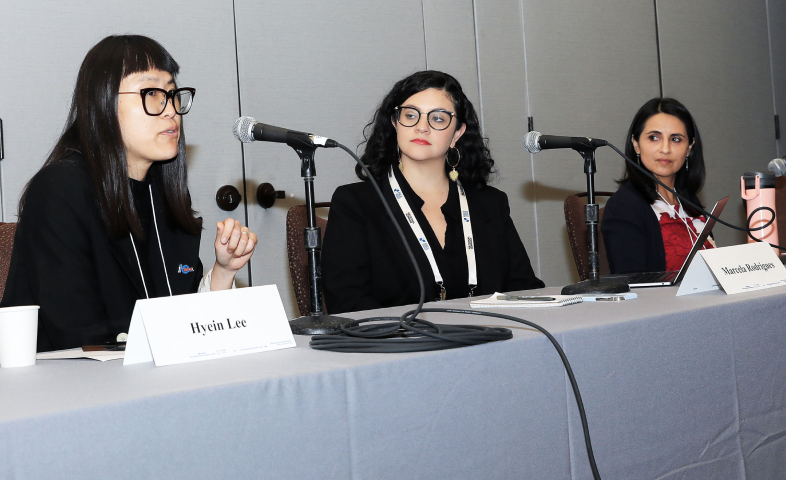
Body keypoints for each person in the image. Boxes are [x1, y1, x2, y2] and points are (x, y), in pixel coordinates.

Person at [0, 35, 258, 352]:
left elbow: (189, 320)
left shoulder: (165, 193)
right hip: (73, 390)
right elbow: (81, 339)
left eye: (173, 94)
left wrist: (224, 272)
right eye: (151, 93)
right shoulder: (59, 192)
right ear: (103, 103)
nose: (170, 110)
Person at [321, 70, 543, 314]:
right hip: (400, 346)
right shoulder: (356, 203)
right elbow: (347, 302)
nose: (421, 127)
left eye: (438, 118)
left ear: (457, 133)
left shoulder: (490, 203)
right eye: (410, 115)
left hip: (487, 340)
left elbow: (524, 290)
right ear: (395, 123)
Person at [601, 97, 713, 274]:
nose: (665, 149)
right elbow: (633, 283)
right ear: (636, 144)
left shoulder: (690, 201)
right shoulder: (624, 206)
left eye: (676, 139)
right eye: (654, 138)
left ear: (689, 148)